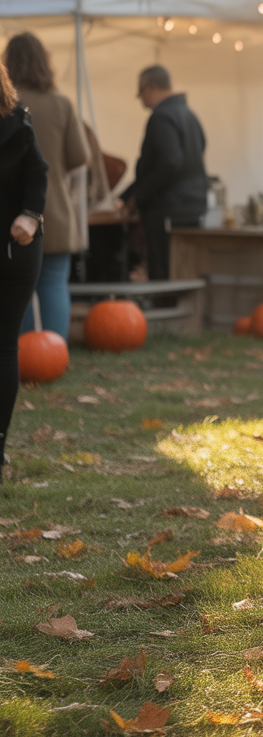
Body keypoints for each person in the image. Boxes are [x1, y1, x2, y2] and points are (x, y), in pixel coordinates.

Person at [3, 34, 88, 339]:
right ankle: (55, 351)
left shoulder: (6, 105)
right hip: (56, 211)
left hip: (13, 212)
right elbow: (80, 157)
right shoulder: (61, 104)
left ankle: (23, 352)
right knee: (53, 282)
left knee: (17, 286)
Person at [0, 57, 47, 481]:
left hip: (14, 248)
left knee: (3, 346)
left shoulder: (16, 119)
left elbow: (37, 173)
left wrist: (30, 215)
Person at [121, 66, 207, 280]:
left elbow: (168, 164)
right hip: (193, 207)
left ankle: (165, 301)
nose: (141, 100)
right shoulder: (189, 115)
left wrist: (137, 197)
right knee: (184, 271)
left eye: (140, 93)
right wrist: (126, 195)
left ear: (150, 88)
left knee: (164, 273)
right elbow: (199, 149)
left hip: (168, 209)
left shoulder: (161, 117)